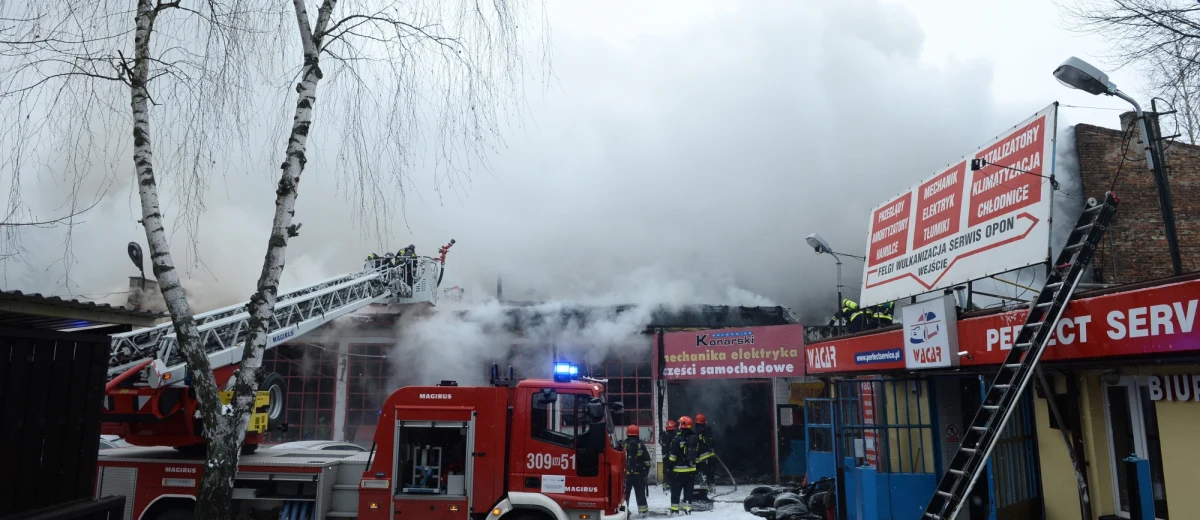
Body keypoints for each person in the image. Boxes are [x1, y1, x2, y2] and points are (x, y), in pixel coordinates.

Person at [668, 416, 699, 515]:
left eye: (680, 424)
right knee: (688, 492)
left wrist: (670, 466)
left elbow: (673, 456)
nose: (679, 426)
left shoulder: (678, 439)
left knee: (676, 492)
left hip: (678, 472)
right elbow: (697, 456)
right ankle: (687, 510)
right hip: (690, 471)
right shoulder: (694, 438)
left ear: (683, 425)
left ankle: (674, 511)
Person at [623, 425, 651, 516]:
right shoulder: (641, 445)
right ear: (637, 433)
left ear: (627, 433)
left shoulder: (624, 444)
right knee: (640, 494)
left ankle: (624, 511)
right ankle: (643, 512)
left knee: (625, 495)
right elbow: (647, 460)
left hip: (626, 475)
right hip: (639, 475)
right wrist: (646, 471)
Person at [694, 414, 716, 492]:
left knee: (703, 473)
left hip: (703, 456)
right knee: (710, 472)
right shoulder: (708, 429)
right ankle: (712, 488)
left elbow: (696, 444)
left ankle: (704, 491)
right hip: (711, 455)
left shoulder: (698, 431)